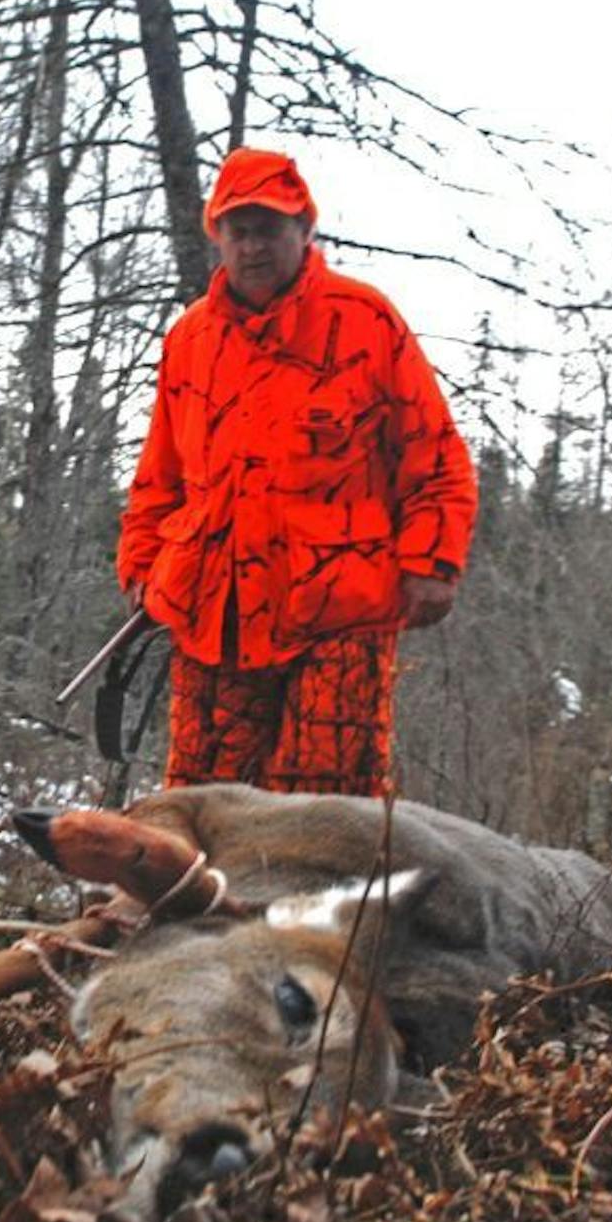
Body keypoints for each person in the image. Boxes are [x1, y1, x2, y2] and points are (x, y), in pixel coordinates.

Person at [117, 146, 477, 798]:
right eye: (239, 230)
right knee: (201, 804)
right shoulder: (190, 340)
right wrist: (143, 567)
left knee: (323, 805)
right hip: (214, 611)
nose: (253, 246)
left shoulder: (366, 322)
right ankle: (197, 906)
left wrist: (432, 560)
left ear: (305, 230)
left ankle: (324, 908)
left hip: (338, 611)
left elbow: (437, 456)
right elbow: (161, 476)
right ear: (218, 237)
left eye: (269, 229)